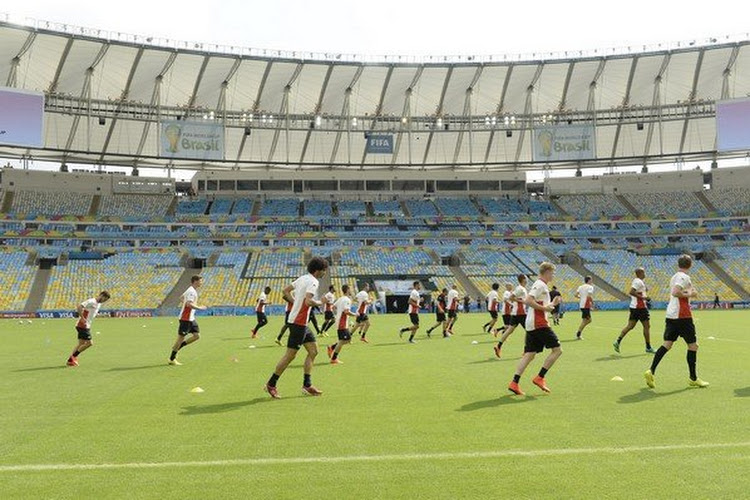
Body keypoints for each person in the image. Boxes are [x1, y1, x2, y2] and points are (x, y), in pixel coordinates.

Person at [265, 257, 330, 398]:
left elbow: (285, 291)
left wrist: (295, 304)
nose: (325, 273)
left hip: (300, 322)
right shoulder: (313, 281)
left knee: (313, 351)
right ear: (318, 270)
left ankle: (307, 385)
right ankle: (271, 384)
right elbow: (308, 301)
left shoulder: (302, 278)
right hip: (298, 322)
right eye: (324, 270)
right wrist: (321, 302)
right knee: (290, 355)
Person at [644, 255, 709, 389]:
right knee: (693, 346)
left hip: (671, 315)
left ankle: (651, 370)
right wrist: (690, 294)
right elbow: (675, 292)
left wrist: (689, 292)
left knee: (667, 344)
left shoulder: (675, 276)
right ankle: (693, 378)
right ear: (690, 265)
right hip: (683, 316)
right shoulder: (684, 277)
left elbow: (679, 290)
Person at [508, 263, 563, 395]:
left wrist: (552, 304)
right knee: (557, 350)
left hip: (532, 323)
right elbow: (528, 300)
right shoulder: (540, 285)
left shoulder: (541, 286)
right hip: (539, 324)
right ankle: (540, 377)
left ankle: (514, 382)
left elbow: (538, 304)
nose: (553, 275)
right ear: (546, 272)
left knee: (530, 354)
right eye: (552, 272)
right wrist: (545, 308)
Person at [613, 268, 654, 353]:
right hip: (640, 307)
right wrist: (644, 298)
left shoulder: (638, 281)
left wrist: (644, 291)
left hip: (635, 307)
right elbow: (631, 292)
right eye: (644, 272)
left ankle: (617, 341)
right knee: (647, 326)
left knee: (630, 326)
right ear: (640, 273)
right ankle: (648, 347)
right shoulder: (638, 281)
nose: (645, 273)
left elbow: (639, 291)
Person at [169, 276, 207, 365]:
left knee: (197, 336)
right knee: (180, 338)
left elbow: (181, 298)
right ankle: (172, 359)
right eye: (200, 281)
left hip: (191, 318)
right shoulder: (191, 292)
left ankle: (179, 346)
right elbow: (189, 304)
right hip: (185, 319)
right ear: (195, 281)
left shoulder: (190, 290)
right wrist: (200, 308)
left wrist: (186, 303)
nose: (202, 283)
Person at [66, 291, 111, 366]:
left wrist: (102, 315)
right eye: (104, 299)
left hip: (85, 325)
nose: (104, 301)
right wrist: (82, 318)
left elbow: (93, 314)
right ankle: (73, 357)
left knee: (81, 343)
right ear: (101, 295)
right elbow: (79, 307)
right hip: (83, 325)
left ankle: (70, 361)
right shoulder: (91, 301)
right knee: (89, 343)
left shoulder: (98, 304)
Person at [494, 274, 528, 358]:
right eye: (526, 278)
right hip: (521, 313)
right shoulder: (520, 288)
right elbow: (511, 297)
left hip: (515, 313)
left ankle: (498, 346)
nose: (527, 279)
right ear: (523, 279)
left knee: (509, 330)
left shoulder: (521, 288)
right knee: (529, 331)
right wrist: (521, 301)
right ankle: (526, 350)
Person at [327, 284, 354, 364]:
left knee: (347, 340)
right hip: (342, 323)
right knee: (343, 341)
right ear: (348, 290)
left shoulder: (341, 299)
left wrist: (337, 315)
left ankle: (332, 348)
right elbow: (346, 312)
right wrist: (355, 314)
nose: (351, 290)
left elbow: (333, 307)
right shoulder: (347, 300)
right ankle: (333, 358)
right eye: (350, 289)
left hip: (340, 322)